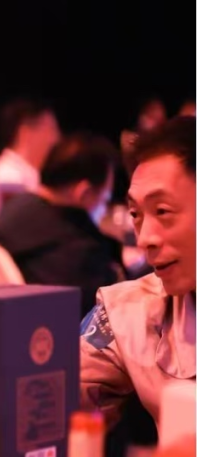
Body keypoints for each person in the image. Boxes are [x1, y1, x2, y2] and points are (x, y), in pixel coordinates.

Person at [81, 116, 196, 426]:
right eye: (136, 214)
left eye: (162, 211)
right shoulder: (128, 313)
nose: (145, 239)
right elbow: (58, 399)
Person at [0, 133, 124, 315]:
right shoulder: (80, 251)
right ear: (84, 193)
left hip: (22, 321)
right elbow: (108, 313)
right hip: (62, 329)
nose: (104, 209)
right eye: (104, 199)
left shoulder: (13, 208)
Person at [0, 99, 61, 227]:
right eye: (51, 129)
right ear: (26, 132)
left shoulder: (22, 175)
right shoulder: (9, 179)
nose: (56, 139)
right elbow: (14, 233)